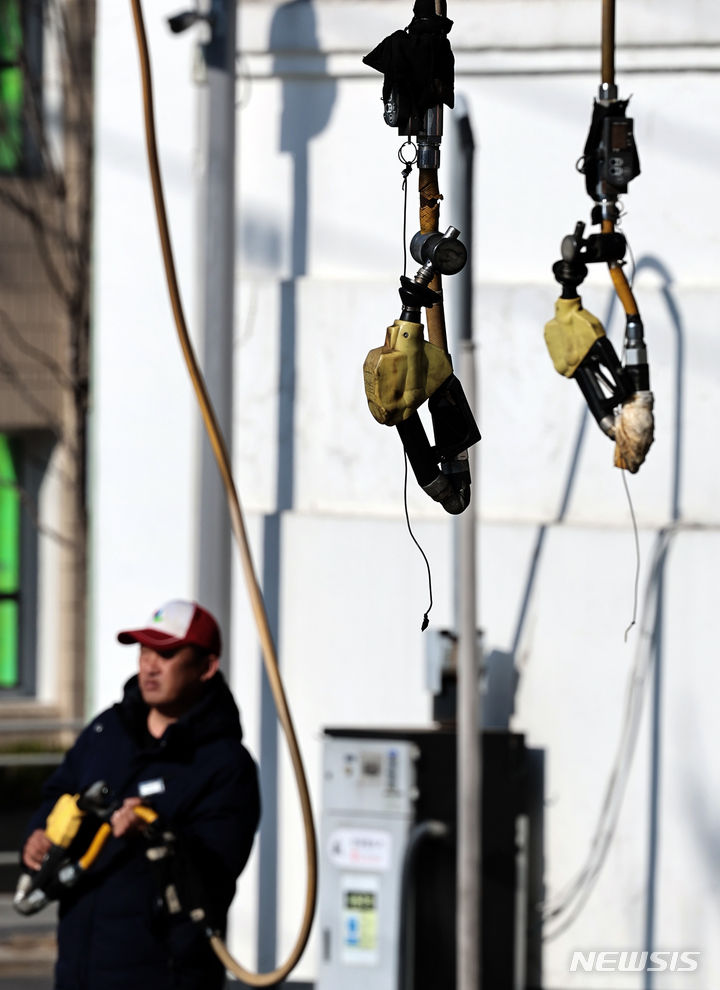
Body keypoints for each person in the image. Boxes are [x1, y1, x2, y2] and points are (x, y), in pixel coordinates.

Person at [21, 599, 261, 990]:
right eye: (145, 651)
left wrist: (155, 832)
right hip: (80, 968)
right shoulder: (107, 730)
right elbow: (59, 791)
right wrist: (38, 835)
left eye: (166, 654)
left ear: (206, 667)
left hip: (163, 973)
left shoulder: (225, 765)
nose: (150, 665)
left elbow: (215, 872)